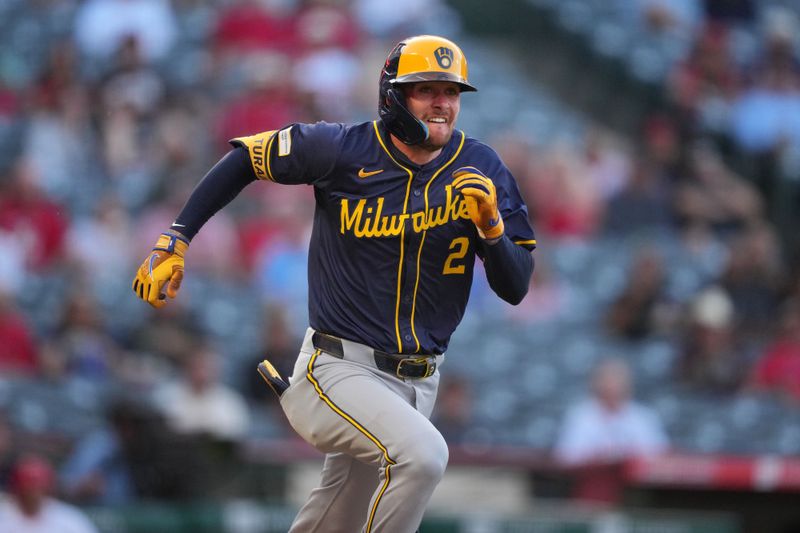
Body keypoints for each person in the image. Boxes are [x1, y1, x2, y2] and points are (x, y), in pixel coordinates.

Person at [132, 35, 536, 533]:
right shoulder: (342, 148)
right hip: (337, 371)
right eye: (426, 89)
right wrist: (177, 239)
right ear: (393, 95)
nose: (442, 103)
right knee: (425, 455)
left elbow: (515, 286)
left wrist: (493, 230)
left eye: (451, 92)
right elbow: (244, 159)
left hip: (420, 382)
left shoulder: (483, 168)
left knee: (332, 521)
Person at [0, 455, 99, 533]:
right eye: (27, 487)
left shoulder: (69, 519)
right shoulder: (4, 516)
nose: (33, 493)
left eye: (39, 487)